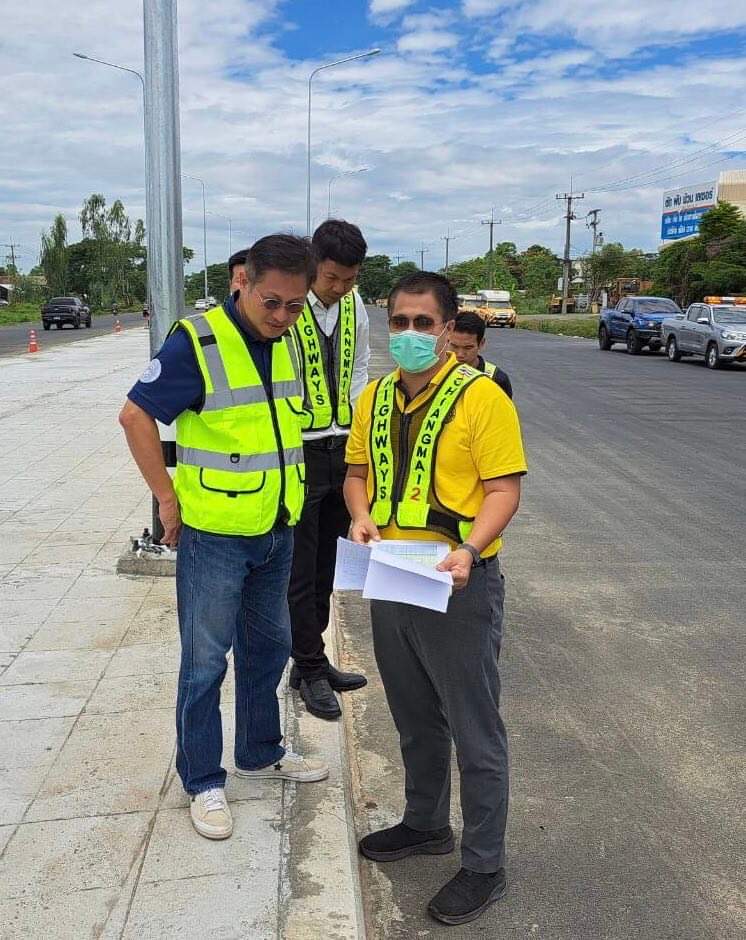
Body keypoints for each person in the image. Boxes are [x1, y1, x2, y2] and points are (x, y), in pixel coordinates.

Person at [119, 234, 329, 843]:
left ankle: (260, 752)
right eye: (272, 302)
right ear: (243, 282)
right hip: (214, 535)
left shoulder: (290, 341)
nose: (283, 316)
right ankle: (203, 779)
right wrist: (166, 498)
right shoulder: (198, 341)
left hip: (275, 526)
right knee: (205, 662)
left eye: (295, 305)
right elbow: (135, 415)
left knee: (270, 648)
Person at [344, 271, 527, 926]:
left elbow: (504, 490)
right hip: (392, 573)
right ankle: (425, 823)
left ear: (449, 329)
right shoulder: (374, 397)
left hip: (457, 579)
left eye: (424, 323)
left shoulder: (482, 398)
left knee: (474, 728)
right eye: (400, 322)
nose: (411, 334)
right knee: (414, 714)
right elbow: (357, 473)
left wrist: (471, 549)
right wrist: (360, 515)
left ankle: (484, 864)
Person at [287, 219, 370, 720]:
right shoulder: (291, 304)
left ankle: (309, 660)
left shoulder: (355, 306)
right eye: (333, 277)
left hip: (342, 449)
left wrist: (358, 433)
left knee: (329, 567)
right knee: (299, 569)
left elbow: (359, 367)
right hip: (300, 450)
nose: (340, 287)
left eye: (350, 279)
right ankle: (310, 667)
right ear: (314, 264)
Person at [449, 311, 513, 398]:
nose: (460, 354)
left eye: (468, 348)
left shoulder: (497, 379)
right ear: (447, 340)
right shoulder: (436, 372)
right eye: (454, 346)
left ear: (481, 343)